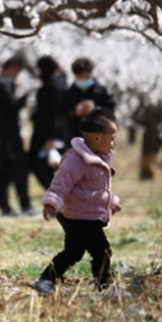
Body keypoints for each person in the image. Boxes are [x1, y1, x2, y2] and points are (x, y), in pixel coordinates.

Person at [30, 108, 127, 297]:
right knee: (102, 251)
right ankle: (104, 286)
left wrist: (112, 201)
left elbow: (98, 189)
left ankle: (46, 280)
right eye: (112, 138)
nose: (114, 143)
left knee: (73, 253)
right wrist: (51, 202)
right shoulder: (76, 160)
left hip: (83, 214)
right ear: (98, 138)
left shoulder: (97, 159)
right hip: (79, 217)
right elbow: (61, 183)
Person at [0, 56, 34, 216]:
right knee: (14, 170)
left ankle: (8, 206)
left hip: (6, 135)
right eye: (17, 71)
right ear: (12, 68)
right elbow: (11, 108)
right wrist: (24, 98)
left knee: (7, 170)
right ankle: (18, 206)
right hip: (7, 135)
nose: (17, 75)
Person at [28, 56, 68, 191]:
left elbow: (51, 113)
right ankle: (58, 194)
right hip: (57, 131)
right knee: (49, 165)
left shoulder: (52, 87)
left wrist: (51, 137)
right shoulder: (61, 81)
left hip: (46, 133)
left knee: (38, 164)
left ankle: (57, 193)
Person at [60, 58, 115, 146]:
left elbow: (110, 112)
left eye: (85, 77)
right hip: (74, 139)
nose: (83, 80)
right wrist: (74, 112)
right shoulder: (68, 94)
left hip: (98, 140)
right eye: (80, 77)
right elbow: (61, 115)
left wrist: (96, 110)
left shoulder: (102, 92)